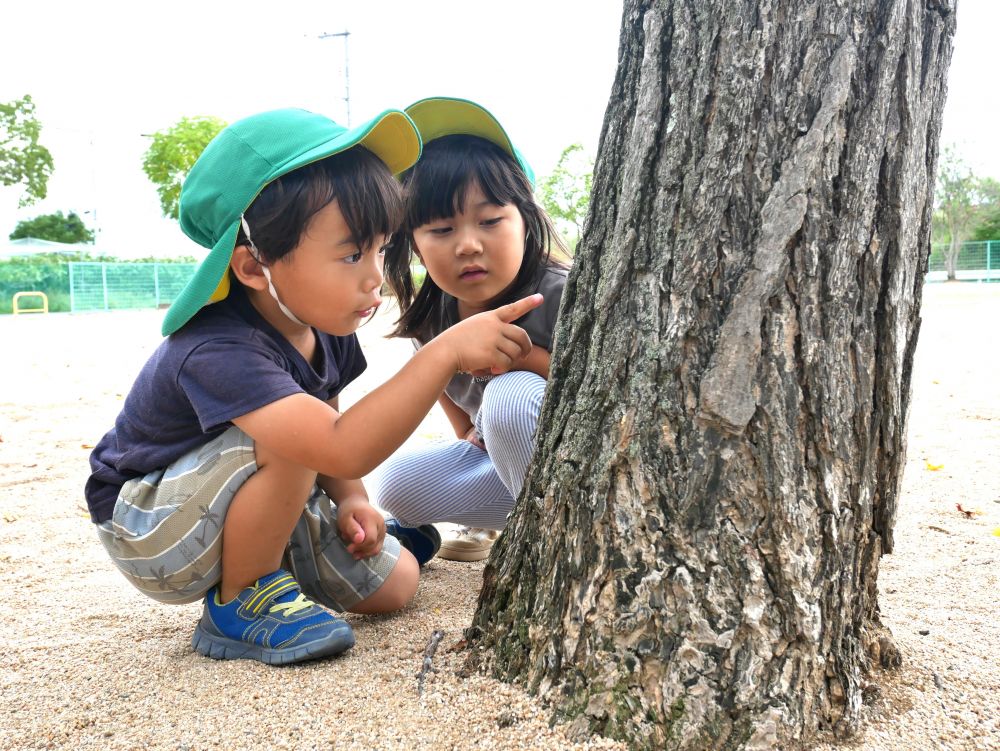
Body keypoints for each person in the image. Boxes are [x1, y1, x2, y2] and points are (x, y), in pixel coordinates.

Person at [84, 108, 541, 666]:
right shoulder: (218, 350)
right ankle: (240, 602)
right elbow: (335, 442)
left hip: (256, 492)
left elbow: (329, 415)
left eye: (379, 249)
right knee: (295, 435)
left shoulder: (321, 324)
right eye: (351, 255)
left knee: (395, 584)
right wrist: (445, 351)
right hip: (149, 525)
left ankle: (279, 570)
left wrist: (350, 496)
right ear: (255, 268)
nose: (375, 275)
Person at [375, 97, 570, 562]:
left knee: (510, 394)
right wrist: (464, 428)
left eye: (489, 221)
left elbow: (601, 392)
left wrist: (522, 358)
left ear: (525, 221)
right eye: (441, 230)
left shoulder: (560, 294)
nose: (467, 244)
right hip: (504, 463)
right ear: (416, 247)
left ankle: (554, 540)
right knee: (394, 484)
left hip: (570, 464)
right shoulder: (431, 313)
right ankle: (501, 519)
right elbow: (437, 378)